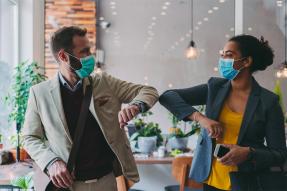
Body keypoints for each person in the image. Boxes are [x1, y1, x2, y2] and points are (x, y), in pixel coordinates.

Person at [22, 26, 159, 191]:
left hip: (106, 181)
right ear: (64, 56)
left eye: (90, 50)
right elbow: (29, 137)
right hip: (67, 185)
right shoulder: (39, 94)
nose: (90, 57)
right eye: (84, 51)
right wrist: (51, 162)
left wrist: (136, 106)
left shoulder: (104, 82)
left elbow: (148, 91)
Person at [159, 34, 287, 191]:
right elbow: (167, 96)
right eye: (222, 55)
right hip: (211, 180)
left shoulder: (268, 102)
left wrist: (248, 153)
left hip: (246, 183)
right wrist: (201, 118)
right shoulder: (215, 89)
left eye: (229, 55)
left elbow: (279, 154)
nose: (223, 60)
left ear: (246, 61)